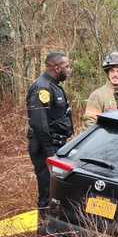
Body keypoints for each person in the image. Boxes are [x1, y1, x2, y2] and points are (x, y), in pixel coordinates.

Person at [26, 51, 74, 213]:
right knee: (48, 190)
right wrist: (50, 153)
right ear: (56, 67)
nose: (69, 70)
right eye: (66, 67)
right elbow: (39, 124)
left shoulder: (54, 86)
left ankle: (54, 225)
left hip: (56, 145)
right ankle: (44, 230)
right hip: (45, 147)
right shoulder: (42, 88)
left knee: (57, 190)